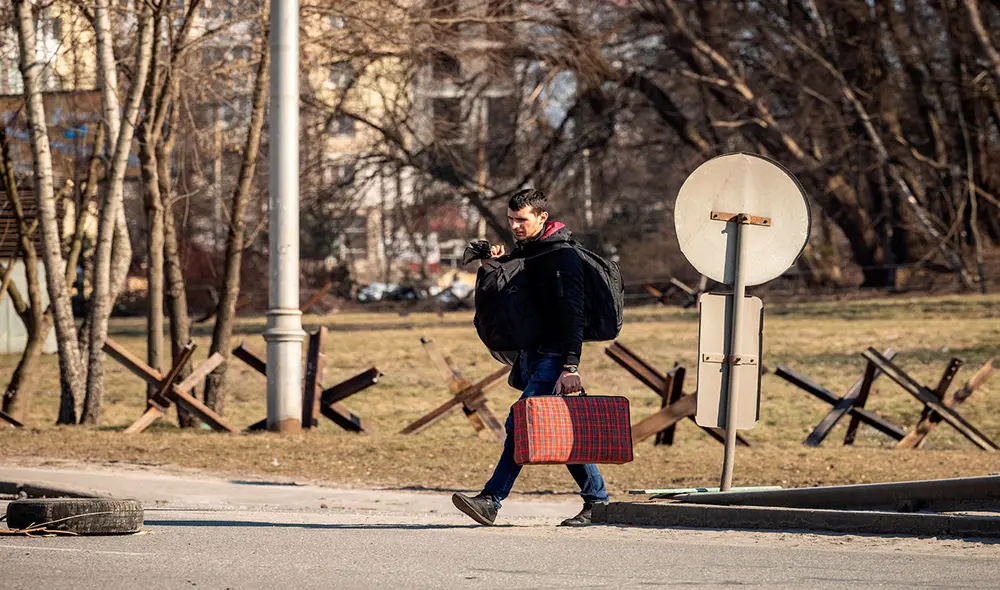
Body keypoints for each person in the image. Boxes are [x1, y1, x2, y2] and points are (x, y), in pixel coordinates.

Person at [452, 188, 609, 527]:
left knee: (521, 422)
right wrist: (492, 262)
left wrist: (570, 366)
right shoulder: (530, 252)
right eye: (511, 220)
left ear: (542, 217)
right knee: (557, 430)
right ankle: (598, 502)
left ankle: (491, 500)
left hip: (555, 356)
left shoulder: (562, 258)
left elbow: (574, 315)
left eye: (521, 220)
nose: (515, 226)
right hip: (533, 355)